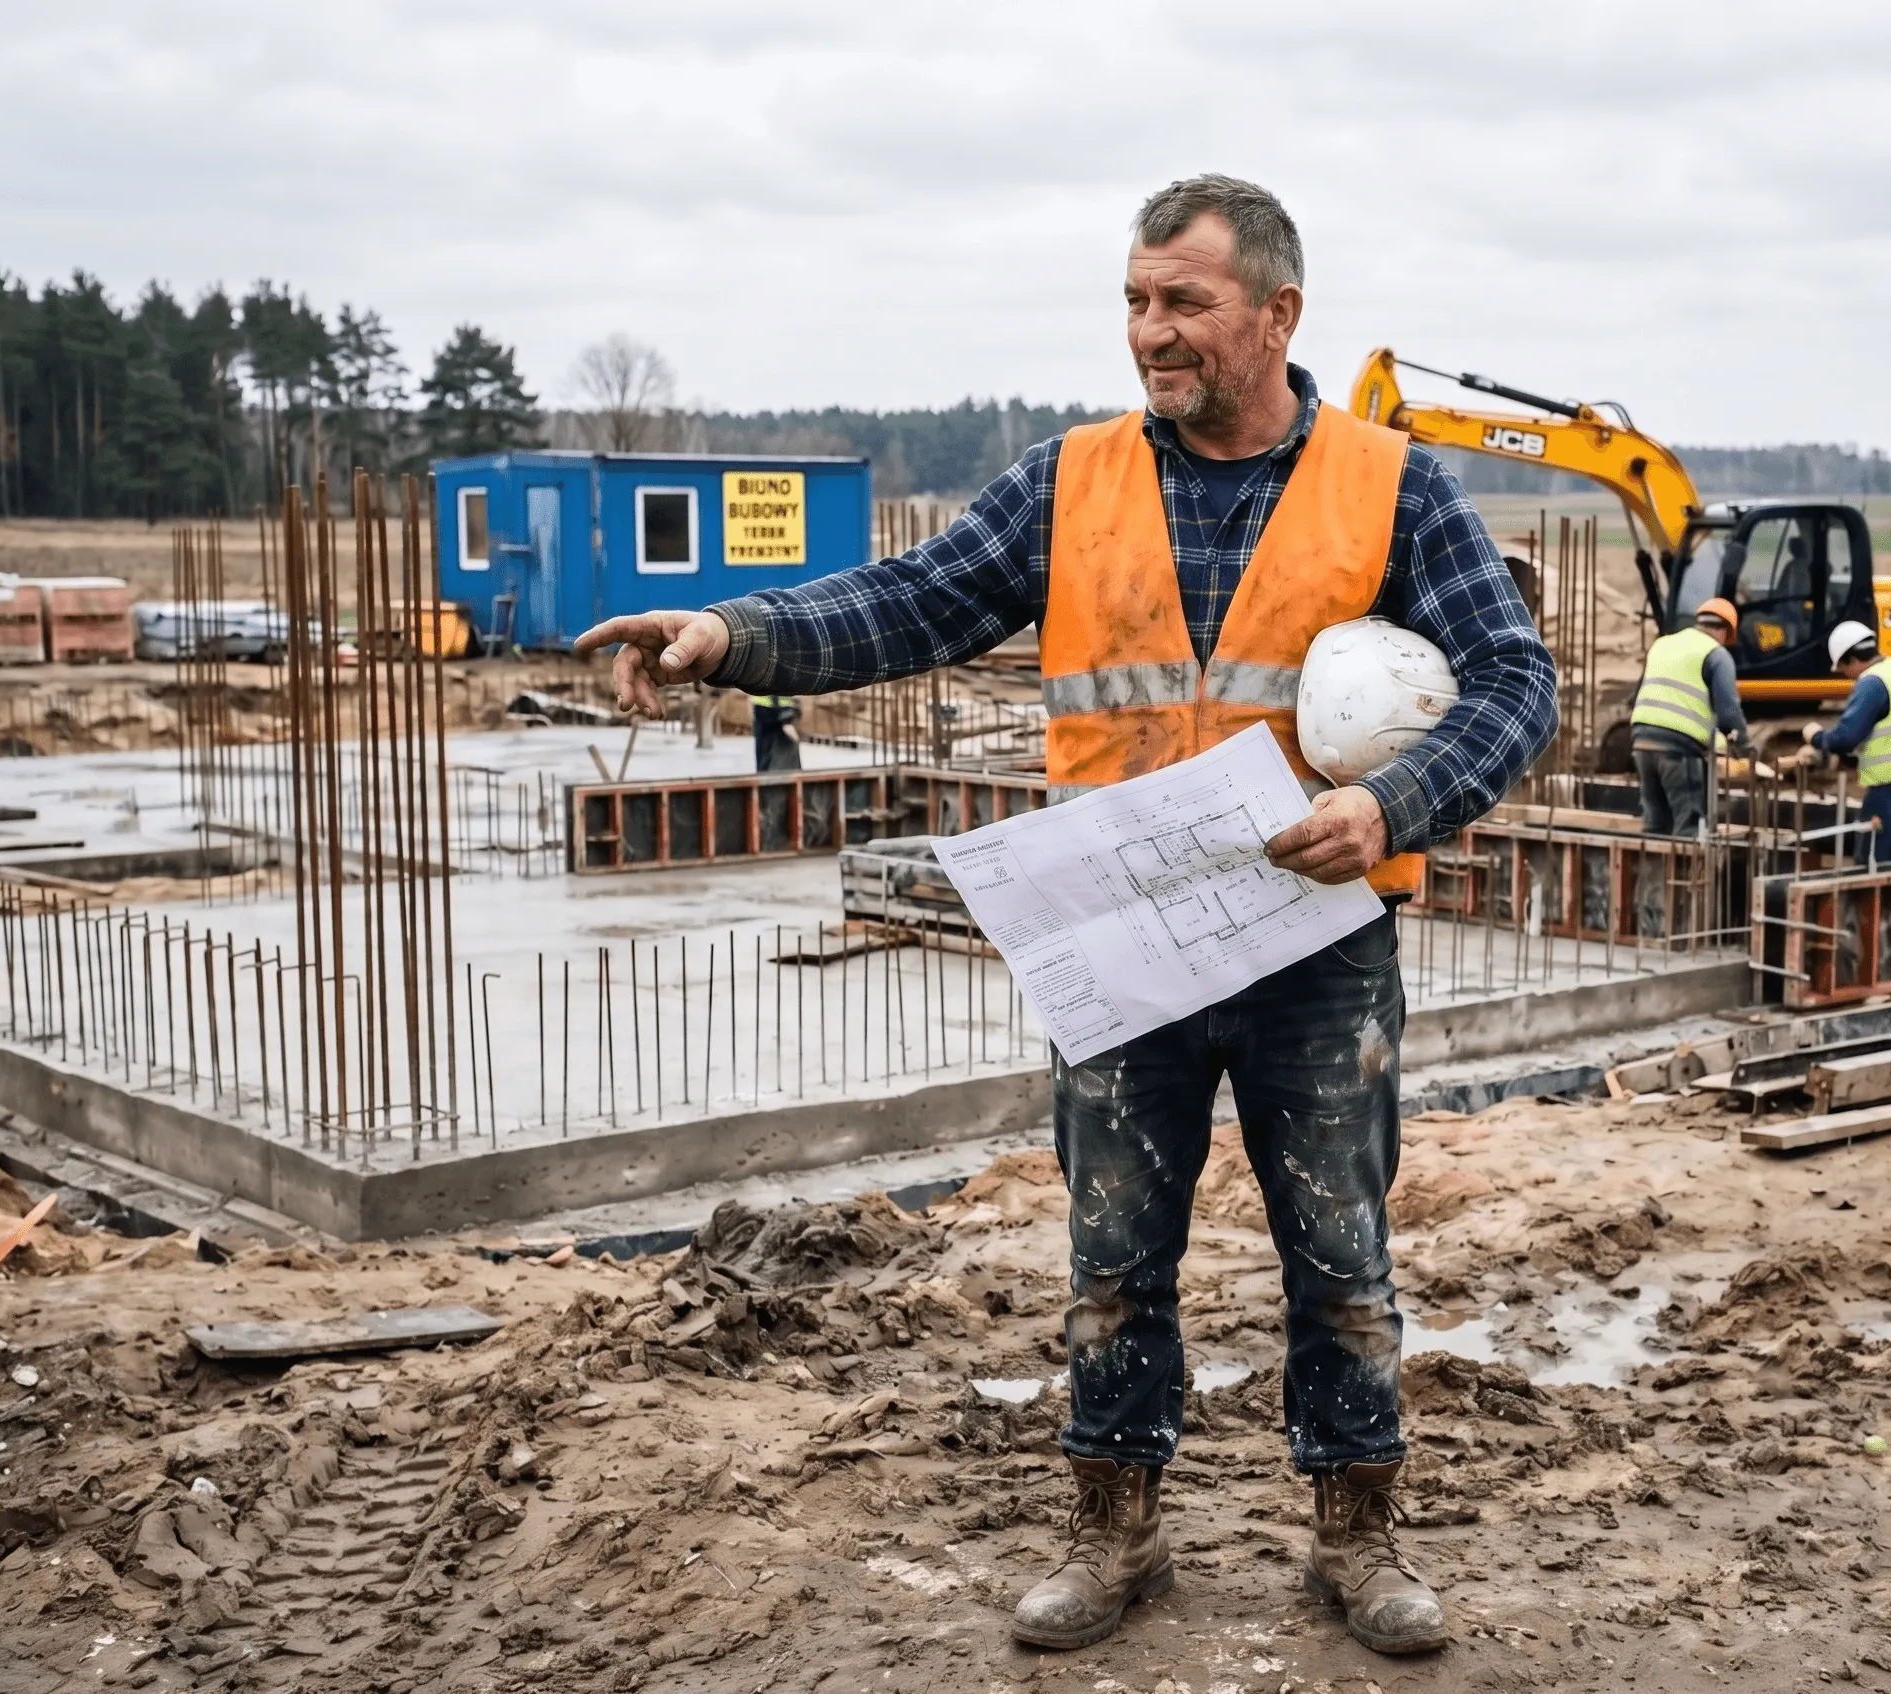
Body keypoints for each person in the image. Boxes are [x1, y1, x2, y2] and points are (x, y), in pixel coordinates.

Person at [571, 175, 1555, 1656]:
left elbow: (1516, 682)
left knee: (1341, 1252)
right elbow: (912, 600)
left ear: (1279, 314)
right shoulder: (1071, 478)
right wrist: (732, 634)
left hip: (1316, 942)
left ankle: (1359, 1538)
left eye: (1185, 304)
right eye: (1136, 301)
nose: (1151, 332)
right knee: (1112, 1253)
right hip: (1130, 935)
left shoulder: (1395, 483)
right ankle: (1115, 1530)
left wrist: (1397, 805)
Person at [1796, 620, 1891, 862]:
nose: (1847, 676)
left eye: (1844, 669)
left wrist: (1816, 737)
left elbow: (1845, 737)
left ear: (1852, 659)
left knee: (1876, 864)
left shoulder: (1873, 682)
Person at [1628, 597, 1751, 838]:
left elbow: (1636, 696)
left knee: (1655, 827)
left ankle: (1653, 876)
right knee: (1690, 829)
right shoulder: (1716, 654)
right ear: (1724, 631)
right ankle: (1692, 874)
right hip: (1678, 751)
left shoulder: (1662, 644)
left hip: (1641, 744)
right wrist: (1744, 748)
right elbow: (1729, 712)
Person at [749, 693, 802, 771]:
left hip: (764, 708)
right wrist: (786, 718)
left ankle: (764, 777)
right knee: (779, 751)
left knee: (764, 753)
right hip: (776, 709)